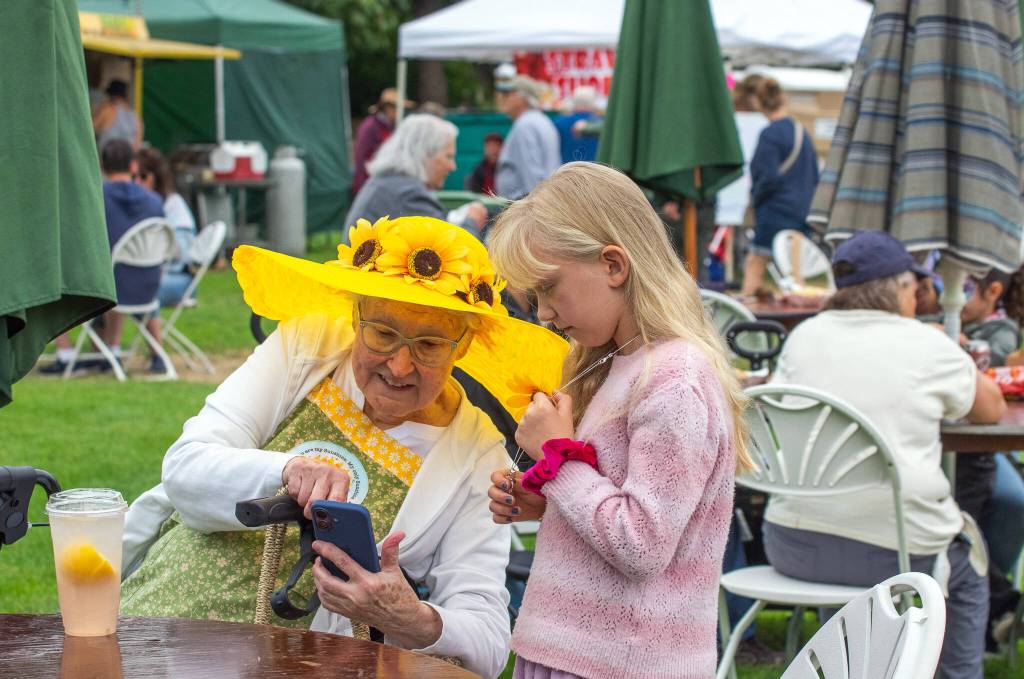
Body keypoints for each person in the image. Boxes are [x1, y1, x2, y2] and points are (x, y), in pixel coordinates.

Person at [118, 216, 567, 678]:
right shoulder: (305, 346)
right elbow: (185, 469)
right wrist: (285, 471)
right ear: (355, 317)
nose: (399, 363)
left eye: (429, 344)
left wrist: (411, 619)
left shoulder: (478, 457)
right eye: (383, 333)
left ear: (463, 346)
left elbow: (488, 640)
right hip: (157, 627)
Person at [484, 162, 752, 678]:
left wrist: (556, 459)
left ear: (613, 265)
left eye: (548, 289)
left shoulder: (674, 380)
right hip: (578, 652)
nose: (542, 313)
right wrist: (547, 502)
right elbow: (619, 503)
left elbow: (643, 543)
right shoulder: (619, 362)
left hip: (620, 663)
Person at [765, 231, 1005, 679]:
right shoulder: (927, 345)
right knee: (968, 565)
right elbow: (991, 408)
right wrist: (951, 349)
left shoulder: (803, 337)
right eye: (916, 287)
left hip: (791, 544)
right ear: (900, 288)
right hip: (896, 555)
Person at [42, 140, 165, 374]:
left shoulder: (94, 198)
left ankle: (66, 354)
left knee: (56, 276)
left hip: (106, 288)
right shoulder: (154, 202)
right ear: (133, 165)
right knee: (120, 273)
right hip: (149, 285)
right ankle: (119, 350)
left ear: (101, 165)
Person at [953, 266, 1024, 648]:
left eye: (965, 288)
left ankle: (993, 604)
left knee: (1012, 501)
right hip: (935, 448)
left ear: (993, 291)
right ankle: (1000, 606)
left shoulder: (1000, 331)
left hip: (982, 442)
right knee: (956, 515)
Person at [345, 115, 487, 239]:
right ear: (424, 155)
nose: (452, 167)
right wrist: (472, 222)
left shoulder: (388, 183)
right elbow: (452, 251)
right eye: (448, 156)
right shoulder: (408, 194)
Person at [740, 78, 819, 296]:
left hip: (775, 214)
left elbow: (767, 177)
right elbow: (814, 175)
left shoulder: (770, 134)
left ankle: (746, 321)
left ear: (758, 103)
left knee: (755, 265)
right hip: (802, 213)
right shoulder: (801, 131)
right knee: (796, 274)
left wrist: (755, 198)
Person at [135, 148, 201, 370]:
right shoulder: (139, 203)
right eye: (133, 176)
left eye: (142, 176)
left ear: (156, 176)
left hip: (179, 279)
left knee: (141, 289)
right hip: (151, 275)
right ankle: (104, 352)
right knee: (122, 287)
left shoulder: (173, 205)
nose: (137, 182)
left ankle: (158, 356)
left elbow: (181, 254)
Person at [494, 75, 561, 200]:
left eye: (508, 93)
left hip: (525, 204)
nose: (503, 98)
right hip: (542, 199)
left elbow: (532, 175)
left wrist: (535, 209)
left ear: (523, 97)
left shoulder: (525, 125)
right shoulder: (542, 120)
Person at [351, 88, 400, 196]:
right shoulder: (370, 126)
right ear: (387, 107)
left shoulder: (392, 126)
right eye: (396, 107)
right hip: (369, 184)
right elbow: (361, 156)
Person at [553, 86, 600, 163]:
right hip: (594, 171)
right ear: (593, 102)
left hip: (566, 170)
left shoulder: (559, 123)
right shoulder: (600, 124)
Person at [93, 79, 142, 151]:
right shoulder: (136, 117)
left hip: (106, 159)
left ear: (112, 95)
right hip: (127, 160)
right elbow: (137, 145)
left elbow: (88, 129)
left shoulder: (106, 110)